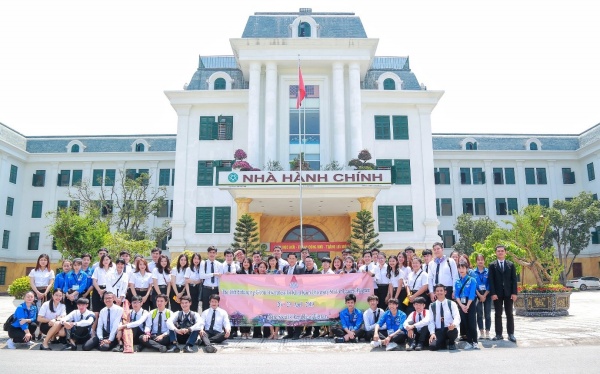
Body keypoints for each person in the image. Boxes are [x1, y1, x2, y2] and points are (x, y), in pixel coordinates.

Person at [488, 245, 518, 343]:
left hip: (509, 293)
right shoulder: (492, 265)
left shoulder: (511, 265)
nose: (500, 252)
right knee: (498, 314)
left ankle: (511, 334)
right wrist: (493, 293)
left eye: (502, 251)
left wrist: (514, 293)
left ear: (505, 252)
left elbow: (514, 280)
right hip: (497, 294)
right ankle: (498, 334)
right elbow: (491, 280)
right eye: (498, 251)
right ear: (496, 253)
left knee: (509, 314)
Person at [428, 283, 461, 351]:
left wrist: (454, 324)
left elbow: (457, 316)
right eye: (437, 291)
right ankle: (443, 342)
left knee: (453, 331)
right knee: (432, 346)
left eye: (441, 290)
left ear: (445, 292)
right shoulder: (432, 305)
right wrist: (432, 333)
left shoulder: (451, 303)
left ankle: (451, 343)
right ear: (435, 293)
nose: (439, 292)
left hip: (449, 328)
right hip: (439, 330)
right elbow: (431, 321)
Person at [454, 262, 478, 349]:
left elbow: (472, 294)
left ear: (467, 269)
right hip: (461, 303)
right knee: (465, 323)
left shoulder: (472, 280)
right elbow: (457, 295)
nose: (461, 270)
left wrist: (467, 306)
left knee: (472, 323)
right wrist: (461, 305)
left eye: (463, 268)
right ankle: (469, 341)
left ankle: (475, 341)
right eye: (459, 268)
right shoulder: (457, 282)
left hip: (470, 303)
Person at [91, 254, 114, 333]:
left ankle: (107, 331)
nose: (106, 261)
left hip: (108, 291)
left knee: (107, 311)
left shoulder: (113, 270)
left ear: (110, 260)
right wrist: (99, 291)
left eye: (107, 259)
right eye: (104, 260)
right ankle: (93, 331)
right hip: (97, 291)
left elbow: (113, 282)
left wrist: (105, 290)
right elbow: (94, 281)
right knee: (96, 312)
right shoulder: (98, 269)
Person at [473, 253, 492, 340]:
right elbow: (473, 285)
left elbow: (490, 284)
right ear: (476, 261)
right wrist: (480, 295)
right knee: (479, 314)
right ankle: (481, 332)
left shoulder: (488, 271)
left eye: (482, 260)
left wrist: (484, 295)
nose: (480, 261)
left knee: (487, 314)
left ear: (484, 261)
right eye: (478, 260)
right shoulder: (473, 272)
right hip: (477, 295)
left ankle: (487, 332)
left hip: (487, 294)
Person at [199, 246, 222, 311]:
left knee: (216, 308)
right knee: (205, 307)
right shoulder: (203, 263)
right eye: (210, 252)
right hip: (206, 288)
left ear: (216, 254)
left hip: (215, 289)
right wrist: (213, 274)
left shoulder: (219, 264)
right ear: (207, 253)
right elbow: (201, 276)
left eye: (213, 252)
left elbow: (220, 278)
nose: (212, 254)